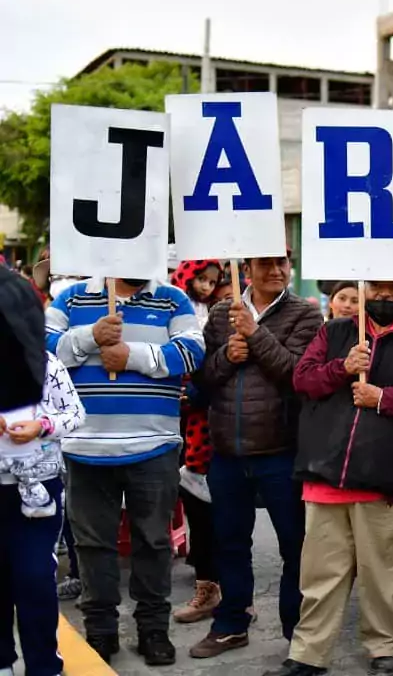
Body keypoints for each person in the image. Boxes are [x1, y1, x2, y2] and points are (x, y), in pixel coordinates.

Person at [269, 280, 393, 676]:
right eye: (378, 289)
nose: (386, 297)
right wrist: (343, 367)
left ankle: (384, 646)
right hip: (327, 474)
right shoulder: (333, 332)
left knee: (384, 576)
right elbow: (303, 380)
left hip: (390, 481)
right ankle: (307, 654)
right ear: (364, 288)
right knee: (319, 576)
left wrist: (383, 399)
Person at [46, 275, 207, 666]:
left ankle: (154, 630)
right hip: (85, 448)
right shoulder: (71, 298)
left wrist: (131, 356)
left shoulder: (173, 299)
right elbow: (42, 351)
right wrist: (90, 338)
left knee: (153, 543)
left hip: (153, 447)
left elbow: (190, 353)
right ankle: (100, 632)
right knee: (92, 546)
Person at [190, 254, 322, 658]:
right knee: (228, 543)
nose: (277, 271)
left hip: (282, 451)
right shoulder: (219, 315)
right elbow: (204, 380)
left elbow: (298, 374)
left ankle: (295, 630)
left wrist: (255, 335)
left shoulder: (305, 314)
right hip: (227, 451)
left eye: (283, 263)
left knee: (295, 546)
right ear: (247, 269)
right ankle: (231, 623)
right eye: (266, 264)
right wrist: (225, 357)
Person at [2, 330, 84, 676]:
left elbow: (76, 413)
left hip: (36, 491)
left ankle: (44, 665)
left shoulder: (44, 363)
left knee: (34, 578)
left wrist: (42, 425)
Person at [168, 260, 225, 625]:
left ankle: (229, 593)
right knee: (197, 503)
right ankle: (209, 582)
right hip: (182, 416)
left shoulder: (216, 314)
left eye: (212, 282)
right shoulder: (176, 308)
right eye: (201, 280)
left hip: (217, 420)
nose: (206, 287)